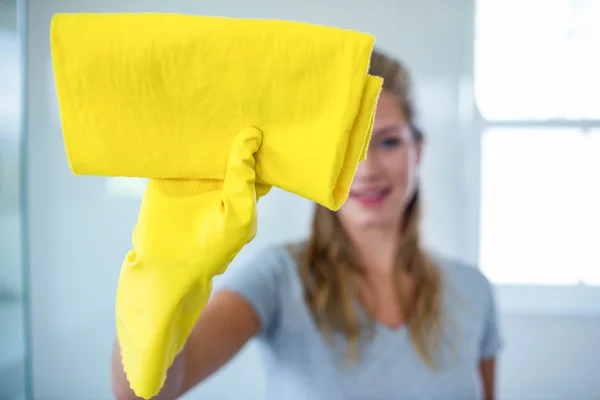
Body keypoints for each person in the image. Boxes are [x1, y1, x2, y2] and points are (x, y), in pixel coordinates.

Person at [112, 49, 502, 400]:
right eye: (347, 150)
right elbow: (144, 393)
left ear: (417, 150)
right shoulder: (278, 278)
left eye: (388, 143)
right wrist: (166, 267)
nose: (366, 171)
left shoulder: (474, 291)